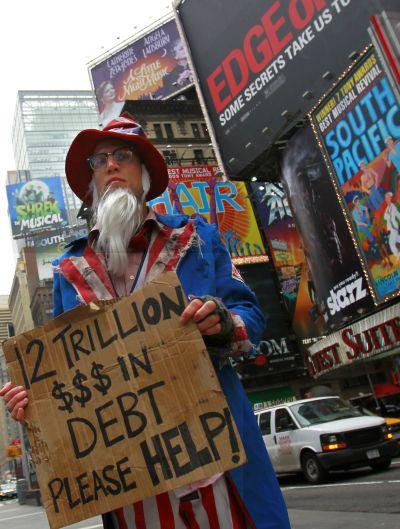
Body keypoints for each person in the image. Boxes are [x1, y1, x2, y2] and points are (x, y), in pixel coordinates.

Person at [0, 115, 290, 529]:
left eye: (123, 156)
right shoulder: (69, 270)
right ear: (92, 184)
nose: (111, 166)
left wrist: (222, 322)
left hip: (217, 467)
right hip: (134, 491)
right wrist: (33, 401)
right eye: (99, 161)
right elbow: (63, 377)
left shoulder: (197, 238)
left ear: (147, 174)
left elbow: (251, 318)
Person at [383, 191, 400, 261]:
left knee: (391, 243)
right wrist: (388, 215)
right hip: (391, 229)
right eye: (386, 198)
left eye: (388, 198)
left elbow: (397, 214)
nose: (387, 199)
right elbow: (385, 217)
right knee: (398, 239)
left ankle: (397, 254)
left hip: (394, 228)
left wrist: (389, 216)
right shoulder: (387, 208)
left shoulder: (393, 206)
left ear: (390, 198)